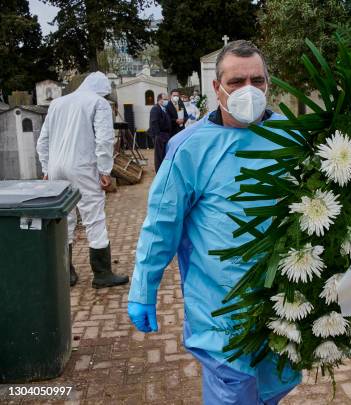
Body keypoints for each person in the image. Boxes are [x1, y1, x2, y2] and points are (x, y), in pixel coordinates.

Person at [127, 40, 301, 404]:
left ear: (269, 84)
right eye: (237, 82)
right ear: (216, 88)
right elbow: (162, 224)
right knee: (232, 393)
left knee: (272, 388)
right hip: (221, 309)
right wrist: (144, 289)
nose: (248, 90)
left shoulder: (292, 138)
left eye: (257, 80)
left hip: (282, 303)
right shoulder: (190, 148)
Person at [37, 72, 129, 289]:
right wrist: (105, 170)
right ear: (102, 90)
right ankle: (102, 273)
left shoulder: (58, 103)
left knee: (65, 218)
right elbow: (104, 139)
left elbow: (43, 140)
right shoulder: (99, 103)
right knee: (94, 217)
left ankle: (66, 273)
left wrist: (46, 168)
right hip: (83, 166)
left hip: (56, 167)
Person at [149, 93, 173, 172]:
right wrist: (158, 135)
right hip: (159, 135)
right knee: (159, 156)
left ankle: (163, 171)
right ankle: (159, 172)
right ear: (159, 100)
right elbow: (154, 122)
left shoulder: (164, 109)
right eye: (165, 99)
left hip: (165, 134)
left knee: (163, 154)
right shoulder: (155, 109)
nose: (167, 101)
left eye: (167, 99)